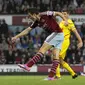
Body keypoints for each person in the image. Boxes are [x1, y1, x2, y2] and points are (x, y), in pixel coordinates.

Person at [12, 11, 68, 80]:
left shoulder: (45, 14)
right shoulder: (36, 22)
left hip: (56, 33)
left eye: (30, 16)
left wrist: (65, 20)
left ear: (34, 14)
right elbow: (27, 30)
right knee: (55, 57)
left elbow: (58, 13)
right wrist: (16, 36)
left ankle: (28, 65)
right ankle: (51, 77)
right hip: (60, 35)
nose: (30, 18)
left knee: (42, 50)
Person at [54, 11, 83, 79]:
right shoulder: (62, 22)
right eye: (62, 14)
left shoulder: (69, 22)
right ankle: (73, 74)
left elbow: (75, 32)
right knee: (60, 60)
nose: (63, 15)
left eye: (65, 14)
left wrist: (80, 41)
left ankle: (57, 76)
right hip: (60, 41)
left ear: (68, 15)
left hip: (64, 41)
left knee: (56, 57)